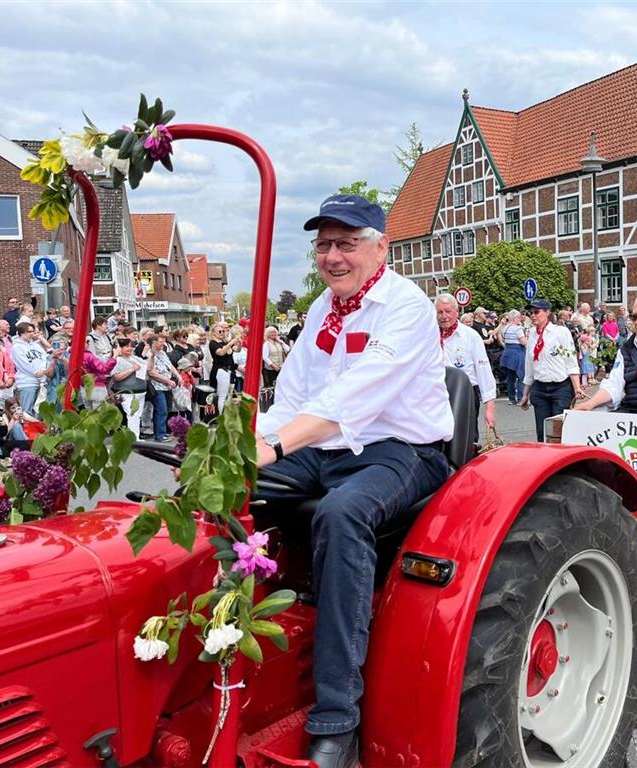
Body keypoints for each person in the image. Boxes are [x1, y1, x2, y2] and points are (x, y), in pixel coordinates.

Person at [253, 194, 452, 768]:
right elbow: (291, 395)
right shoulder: (321, 310)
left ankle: (338, 717)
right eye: (324, 245)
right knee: (233, 488)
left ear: (379, 246)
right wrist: (243, 443)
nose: (333, 256)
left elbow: (354, 397)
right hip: (328, 446)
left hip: (401, 449)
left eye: (346, 243)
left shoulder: (406, 308)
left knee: (342, 513)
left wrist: (279, 444)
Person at [521, 298, 583, 441]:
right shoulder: (532, 334)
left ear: (547, 312)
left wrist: (577, 387)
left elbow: (570, 361)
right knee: (542, 432)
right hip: (540, 388)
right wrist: (525, 393)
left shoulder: (560, 332)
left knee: (559, 432)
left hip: (560, 388)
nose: (533, 316)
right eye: (531, 313)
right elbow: (529, 365)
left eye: (536, 312)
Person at [436, 293, 496, 442]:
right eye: (440, 312)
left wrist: (489, 408)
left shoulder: (470, 336)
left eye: (448, 311)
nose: (444, 316)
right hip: (437, 393)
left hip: (465, 392)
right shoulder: (430, 336)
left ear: (456, 312)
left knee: (465, 439)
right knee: (441, 437)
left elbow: (484, 370)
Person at [11, 322, 55, 417]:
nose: (32, 333)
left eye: (32, 331)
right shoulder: (17, 347)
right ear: (21, 333)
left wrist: (44, 372)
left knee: (37, 412)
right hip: (26, 383)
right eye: (29, 332)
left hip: (41, 381)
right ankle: (25, 431)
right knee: (26, 411)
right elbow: (23, 364)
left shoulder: (36, 345)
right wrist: (37, 373)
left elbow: (45, 357)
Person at [146, 333, 179, 442]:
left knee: (166, 410)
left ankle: (163, 432)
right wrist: (168, 381)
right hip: (157, 386)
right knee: (161, 409)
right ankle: (159, 435)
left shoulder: (163, 353)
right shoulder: (149, 354)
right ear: (154, 343)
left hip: (167, 386)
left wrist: (178, 375)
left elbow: (170, 365)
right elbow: (151, 372)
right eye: (160, 342)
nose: (162, 344)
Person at [208, 321, 241, 413]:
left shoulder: (224, 342)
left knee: (229, 395)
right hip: (220, 370)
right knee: (222, 395)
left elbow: (237, 350)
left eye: (223, 331)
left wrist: (238, 343)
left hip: (230, 370)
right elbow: (221, 352)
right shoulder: (213, 343)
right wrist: (230, 343)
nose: (222, 333)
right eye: (220, 331)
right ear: (213, 333)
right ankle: (221, 416)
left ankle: (228, 414)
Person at [498, 310, 526, 405]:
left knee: (510, 377)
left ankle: (511, 398)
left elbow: (502, 339)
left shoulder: (505, 328)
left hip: (507, 352)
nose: (520, 319)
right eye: (518, 317)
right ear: (515, 318)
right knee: (521, 376)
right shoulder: (518, 329)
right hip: (517, 353)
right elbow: (523, 342)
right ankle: (520, 398)